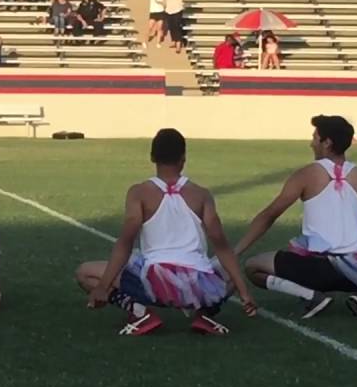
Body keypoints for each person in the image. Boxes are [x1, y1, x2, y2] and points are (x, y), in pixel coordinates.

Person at [233, 115, 357, 319]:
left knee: (254, 267)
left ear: (327, 143)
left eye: (315, 137)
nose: (311, 143)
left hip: (318, 269)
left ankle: (312, 296)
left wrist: (237, 251)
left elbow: (269, 215)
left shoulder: (306, 174)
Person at [75, 129, 256, 335]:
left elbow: (125, 244)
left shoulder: (139, 192)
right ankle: (205, 315)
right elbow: (222, 248)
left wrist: (103, 287)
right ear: (183, 158)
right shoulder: (202, 195)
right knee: (231, 274)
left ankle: (140, 313)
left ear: (152, 157)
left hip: (154, 283)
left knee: (85, 272)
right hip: (198, 286)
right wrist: (244, 291)